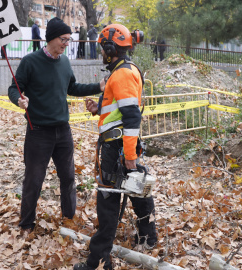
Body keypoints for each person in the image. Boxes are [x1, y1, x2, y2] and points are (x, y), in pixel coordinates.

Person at [8, 17, 105, 233]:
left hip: (63, 131)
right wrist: (19, 99)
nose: (67, 44)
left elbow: (72, 87)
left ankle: (69, 219)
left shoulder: (64, 62)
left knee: (69, 177)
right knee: (34, 180)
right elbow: (14, 88)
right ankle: (26, 224)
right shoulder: (30, 61)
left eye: (69, 40)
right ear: (51, 38)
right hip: (38, 132)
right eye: (64, 39)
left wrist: (98, 87)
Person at [73, 24, 157, 270]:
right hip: (120, 144)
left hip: (117, 147)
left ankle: (98, 262)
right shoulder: (121, 71)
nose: (101, 51)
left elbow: (132, 117)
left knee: (107, 200)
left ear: (110, 49)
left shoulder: (121, 74)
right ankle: (148, 236)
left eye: (102, 47)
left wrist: (129, 155)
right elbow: (121, 109)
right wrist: (99, 109)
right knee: (135, 187)